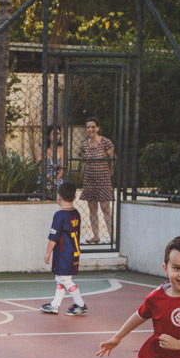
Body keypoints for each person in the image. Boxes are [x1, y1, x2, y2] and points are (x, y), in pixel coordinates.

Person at [40, 181, 86, 316]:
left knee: (65, 279)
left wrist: (48, 252)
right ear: (74, 197)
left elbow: (53, 237)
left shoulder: (60, 215)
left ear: (58, 196)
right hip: (72, 252)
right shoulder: (75, 213)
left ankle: (80, 304)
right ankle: (55, 305)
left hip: (64, 253)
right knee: (60, 278)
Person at [77, 117, 115, 244]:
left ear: (98, 128)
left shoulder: (106, 142)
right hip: (89, 179)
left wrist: (111, 170)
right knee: (92, 208)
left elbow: (112, 158)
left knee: (105, 208)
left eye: (93, 127)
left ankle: (112, 236)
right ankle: (95, 236)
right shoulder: (84, 145)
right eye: (88, 127)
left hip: (103, 179)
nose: (90, 129)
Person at [38, 125, 65, 194]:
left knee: (60, 188)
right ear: (48, 136)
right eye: (54, 134)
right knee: (44, 187)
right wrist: (48, 178)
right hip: (44, 177)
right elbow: (39, 168)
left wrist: (56, 178)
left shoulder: (62, 149)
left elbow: (63, 168)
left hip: (58, 178)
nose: (57, 136)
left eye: (58, 134)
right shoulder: (41, 150)